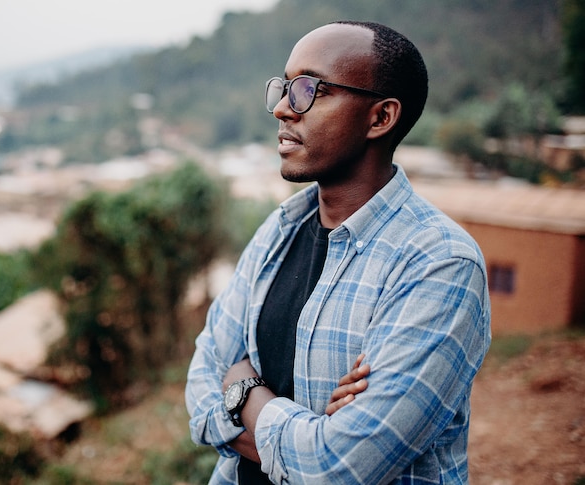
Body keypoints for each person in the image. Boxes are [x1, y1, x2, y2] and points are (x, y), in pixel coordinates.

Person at [185, 20, 491, 484]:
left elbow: (338, 467)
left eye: (310, 89)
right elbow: (202, 383)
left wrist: (244, 391)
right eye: (285, 88)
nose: (284, 109)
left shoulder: (438, 264)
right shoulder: (279, 231)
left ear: (380, 118)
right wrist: (309, 431)